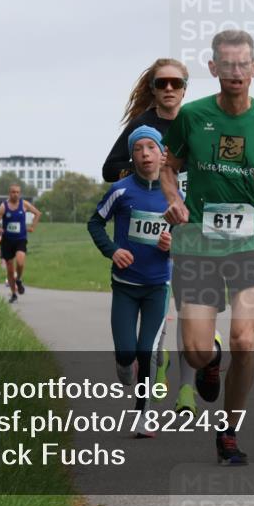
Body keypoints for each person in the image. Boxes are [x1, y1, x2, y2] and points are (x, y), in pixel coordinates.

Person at [161, 29, 254, 465]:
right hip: (198, 244)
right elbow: (168, 167)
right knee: (196, 350)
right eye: (227, 64)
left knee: (245, 339)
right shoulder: (192, 116)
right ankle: (211, 360)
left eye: (243, 64)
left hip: (251, 240)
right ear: (213, 68)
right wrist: (174, 198)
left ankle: (229, 432)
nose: (236, 71)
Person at [103, 58, 196, 414]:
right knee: (161, 304)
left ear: (185, 88)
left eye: (176, 83)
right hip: (154, 224)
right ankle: (156, 362)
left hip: (189, 222)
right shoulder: (142, 125)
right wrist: (149, 166)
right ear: (154, 89)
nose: (169, 88)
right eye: (162, 83)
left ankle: (186, 390)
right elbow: (109, 169)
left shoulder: (196, 122)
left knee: (191, 306)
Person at [89, 126, 173, 436]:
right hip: (125, 286)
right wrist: (113, 250)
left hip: (158, 286)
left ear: (162, 154)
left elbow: (189, 236)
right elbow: (95, 223)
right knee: (127, 354)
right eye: (138, 149)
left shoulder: (176, 195)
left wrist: (173, 244)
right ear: (132, 156)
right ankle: (125, 365)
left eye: (151, 147)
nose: (145, 154)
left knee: (146, 352)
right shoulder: (121, 191)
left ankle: (142, 416)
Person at [0, 184, 42, 303]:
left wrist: (32, 227)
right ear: (9, 193)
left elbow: (38, 213)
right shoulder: (3, 207)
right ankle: (14, 294)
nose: (16, 194)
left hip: (20, 239)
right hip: (7, 241)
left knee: (20, 262)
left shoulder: (24, 204)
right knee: (10, 270)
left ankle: (18, 279)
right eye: (13, 192)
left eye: (18, 192)